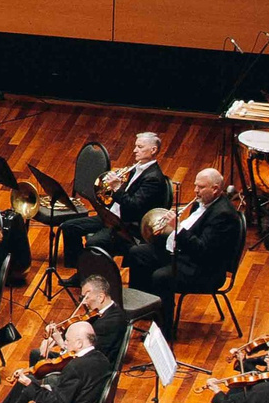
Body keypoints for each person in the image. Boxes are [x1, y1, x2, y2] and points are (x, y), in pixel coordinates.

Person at [125, 167, 242, 338]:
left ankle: (164, 331)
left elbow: (202, 250)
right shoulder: (199, 203)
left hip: (204, 269)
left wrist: (177, 228)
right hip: (184, 254)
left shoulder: (223, 215)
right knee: (137, 253)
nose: (195, 190)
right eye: (195, 185)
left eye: (201, 187)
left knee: (161, 277)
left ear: (215, 189)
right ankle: (142, 308)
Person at [80, 131, 171, 261]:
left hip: (125, 225)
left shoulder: (153, 178)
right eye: (135, 146)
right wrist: (112, 187)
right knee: (70, 226)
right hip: (112, 216)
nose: (134, 150)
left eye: (140, 147)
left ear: (153, 150)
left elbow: (133, 205)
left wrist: (117, 188)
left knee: (93, 243)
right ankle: (75, 264)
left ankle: (92, 269)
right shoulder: (135, 168)